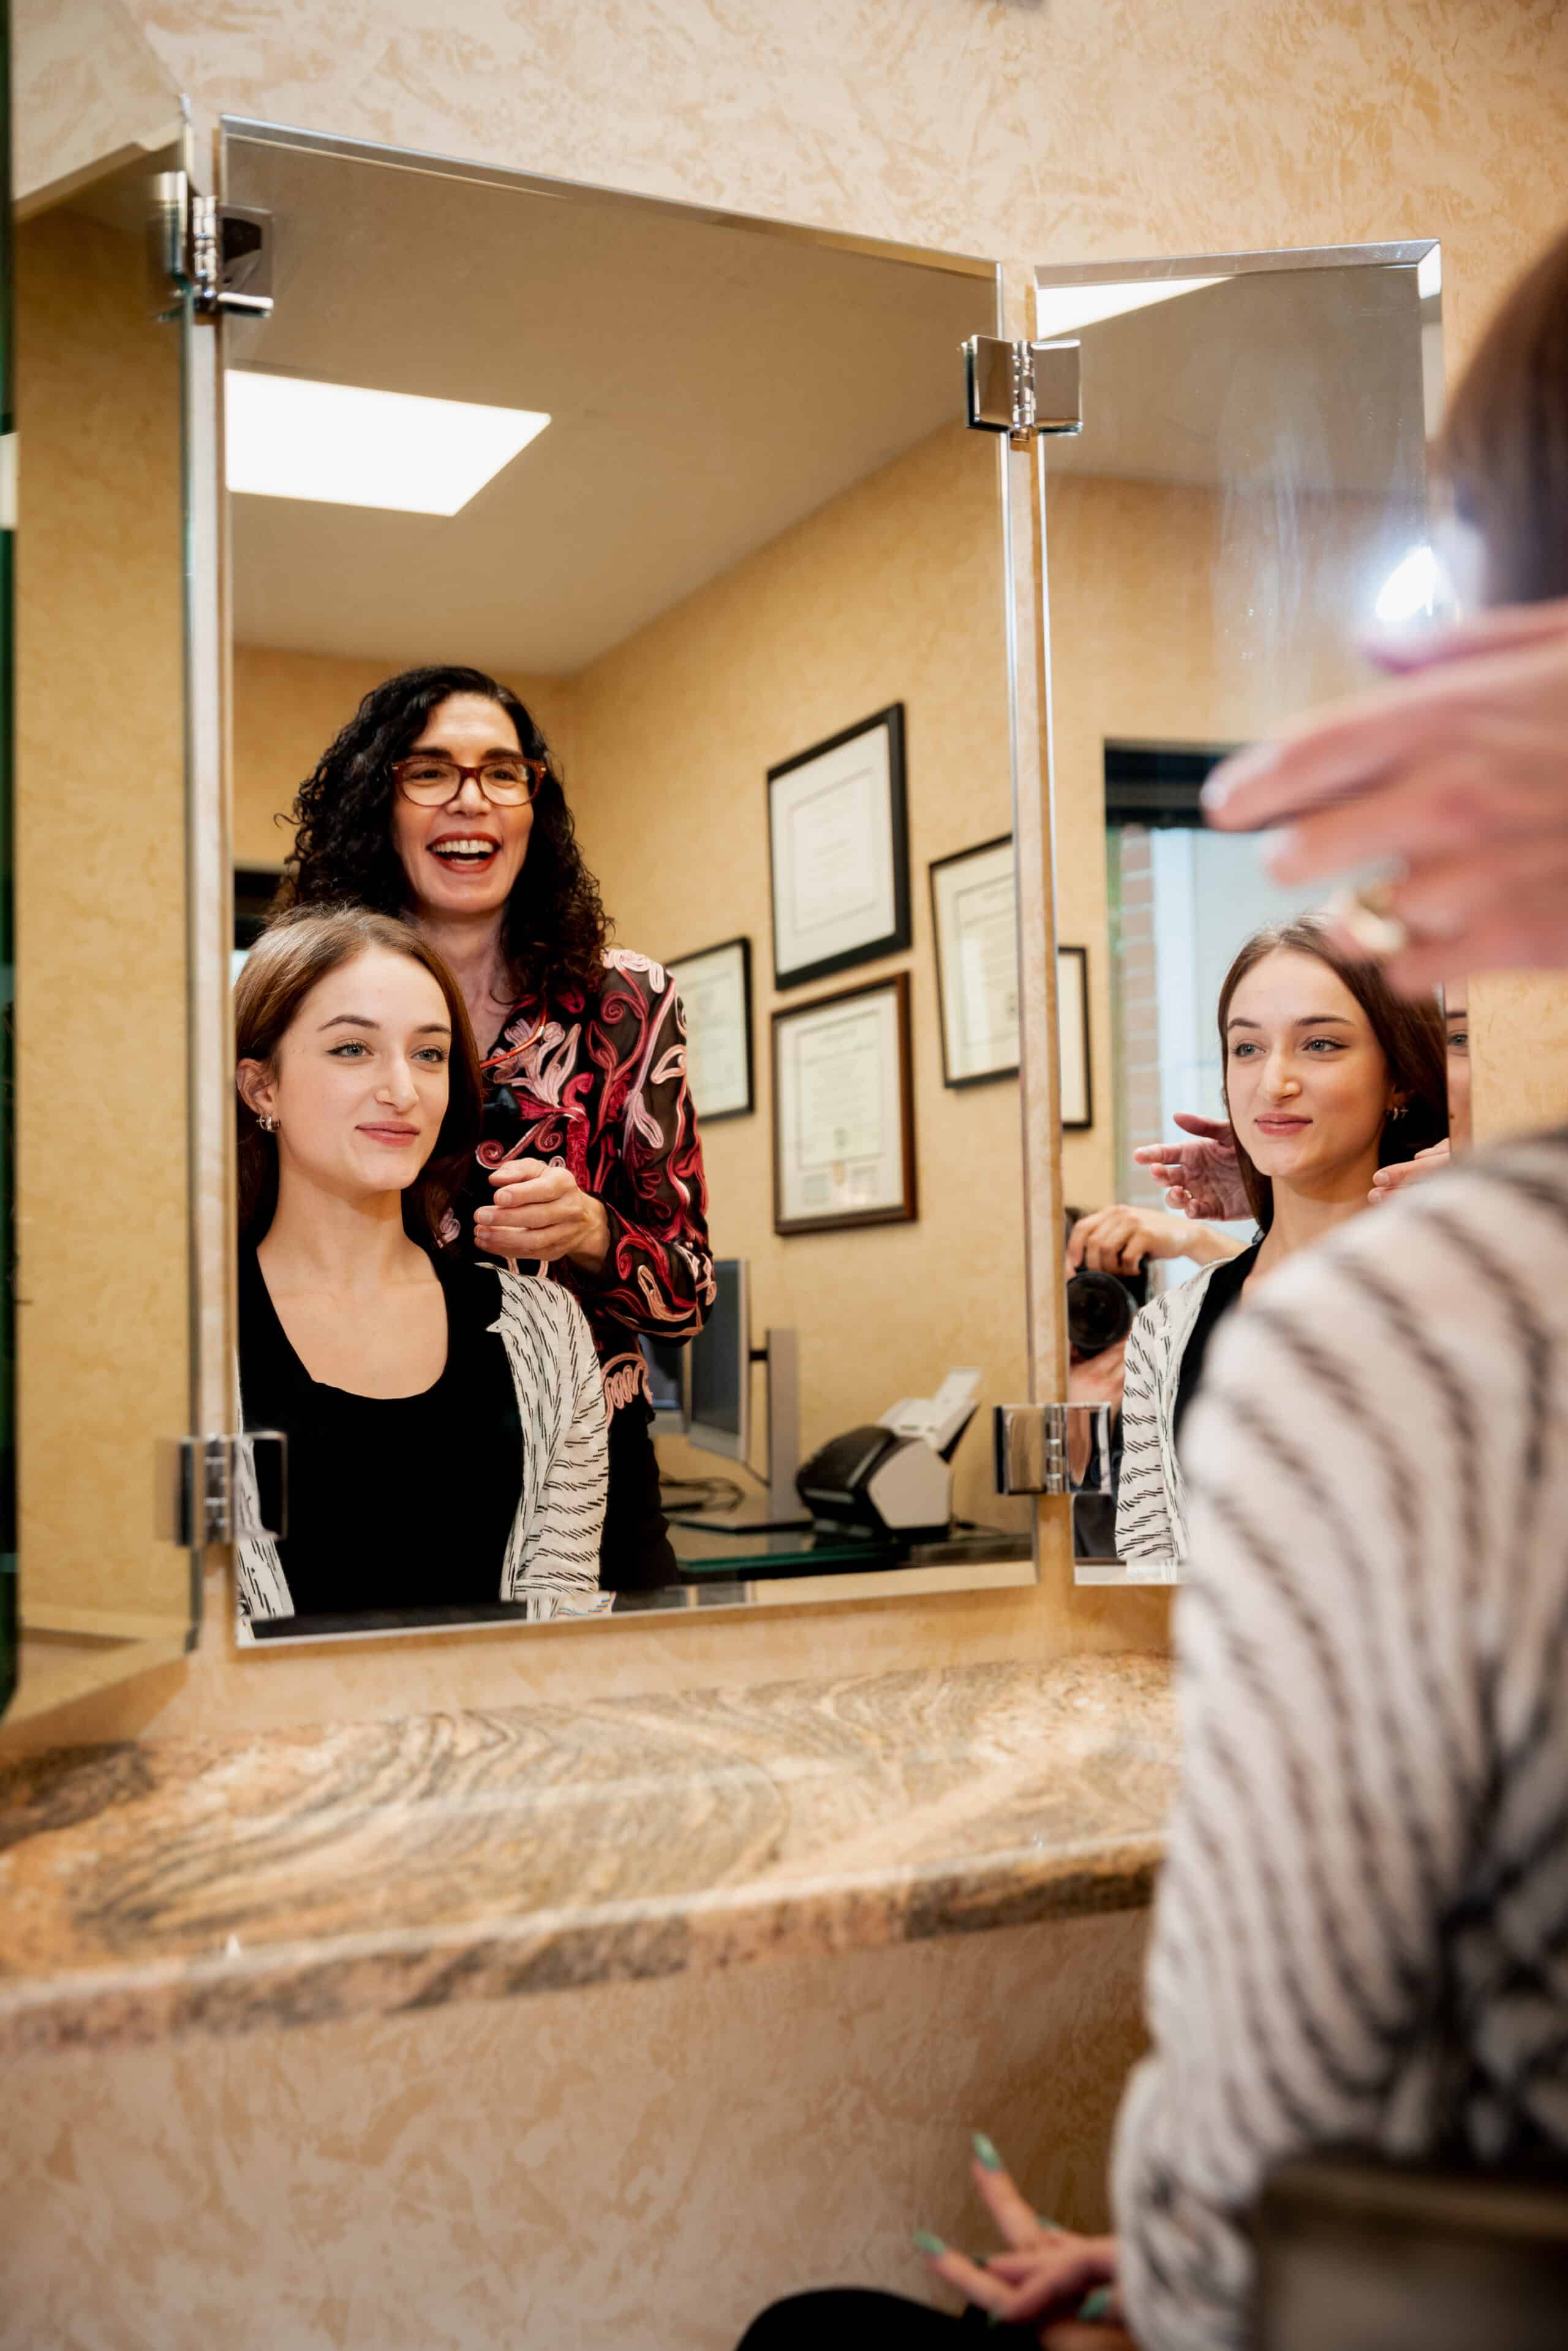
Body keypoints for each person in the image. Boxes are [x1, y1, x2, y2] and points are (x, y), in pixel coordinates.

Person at [739, 212, 1568, 2351]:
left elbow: (1295, 2054)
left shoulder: (1445, 1329)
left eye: (1346, 1039)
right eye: (1247, 1041)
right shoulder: (1260, 1301)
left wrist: (1180, 2281)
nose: (1281, 1079)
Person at [279, 665, 712, 1596]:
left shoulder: (629, 1002)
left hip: (583, 1455)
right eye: (430, 772)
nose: (469, 800)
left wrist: (595, 1234)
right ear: (379, 798)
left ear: (534, 800)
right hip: (356, 1432)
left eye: (501, 772)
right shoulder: (310, 995)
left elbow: (689, 1291)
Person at [233, 907, 608, 1630]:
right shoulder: (188, 1345)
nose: (403, 1090)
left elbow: (563, 1611)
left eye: (430, 1054)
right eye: (352, 1049)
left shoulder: (542, 1328)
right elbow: (193, 1616)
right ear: (262, 1088)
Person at [1114, 916, 1446, 1561]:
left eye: (1320, 1045)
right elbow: (1148, 1577)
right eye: (1247, 1048)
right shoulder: (1165, 1331)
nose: (1274, 1082)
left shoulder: (1471, 1295)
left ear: (1398, 1078)